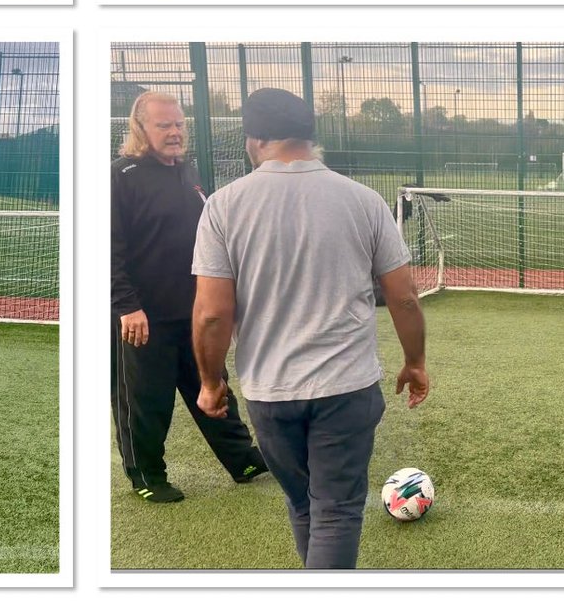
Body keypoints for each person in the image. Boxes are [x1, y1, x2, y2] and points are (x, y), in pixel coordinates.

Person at [192, 88, 429, 570]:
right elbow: (403, 295)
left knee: (303, 505)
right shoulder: (363, 201)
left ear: (253, 139)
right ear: (309, 135)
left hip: (269, 389)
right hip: (347, 385)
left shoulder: (223, 206)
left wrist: (212, 383)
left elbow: (212, 314)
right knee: (336, 512)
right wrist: (415, 362)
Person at [112, 91, 267, 504]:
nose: (175, 132)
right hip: (142, 317)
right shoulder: (119, 177)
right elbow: (106, 248)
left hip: (193, 309)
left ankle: (242, 459)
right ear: (140, 128)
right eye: (164, 125)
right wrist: (127, 306)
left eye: (179, 124)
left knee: (213, 385)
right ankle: (147, 474)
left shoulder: (188, 172)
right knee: (147, 401)